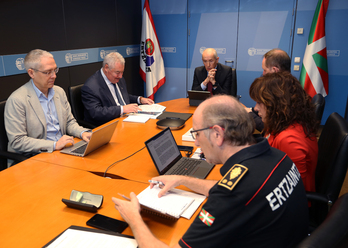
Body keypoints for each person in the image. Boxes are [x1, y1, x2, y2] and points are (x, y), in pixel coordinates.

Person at [112, 95, 309, 248]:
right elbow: (234, 189)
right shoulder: (277, 156)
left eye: (197, 133)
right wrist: (183, 179)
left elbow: (232, 194)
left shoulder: (231, 195)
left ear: (217, 134)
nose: (196, 142)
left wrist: (134, 219)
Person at [5, 49, 91, 156]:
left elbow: (69, 122)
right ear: (31, 73)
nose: (54, 76)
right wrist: (54, 145)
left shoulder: (59, 92)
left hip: (62, 150)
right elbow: (17, 141)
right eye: (47, 72)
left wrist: (82, 133)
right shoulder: (17, 100)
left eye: (55, 70)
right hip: (34, 156)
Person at [249, 72, 319, 192]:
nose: (255, 108)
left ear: (275, 104)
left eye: (259, 103)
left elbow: (291, 191)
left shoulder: (289, 140)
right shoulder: (281, 122)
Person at [81, 52, 154, 126]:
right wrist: (122, 109)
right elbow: (96, 112)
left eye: (122, 72)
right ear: (106, 68)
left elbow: (123, 97)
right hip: (109, 125)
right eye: (117, 72)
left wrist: (139, 99)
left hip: (127, 119)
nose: (120, 76)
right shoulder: (91, 87)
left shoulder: (117, 78)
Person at [245, 48, 291, 132]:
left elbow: (269, 127)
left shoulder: (282, 94)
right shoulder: (289, 87)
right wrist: (250, 110)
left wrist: (249, 114)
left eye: (265, 70)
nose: (263, 73)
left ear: (275, 70)